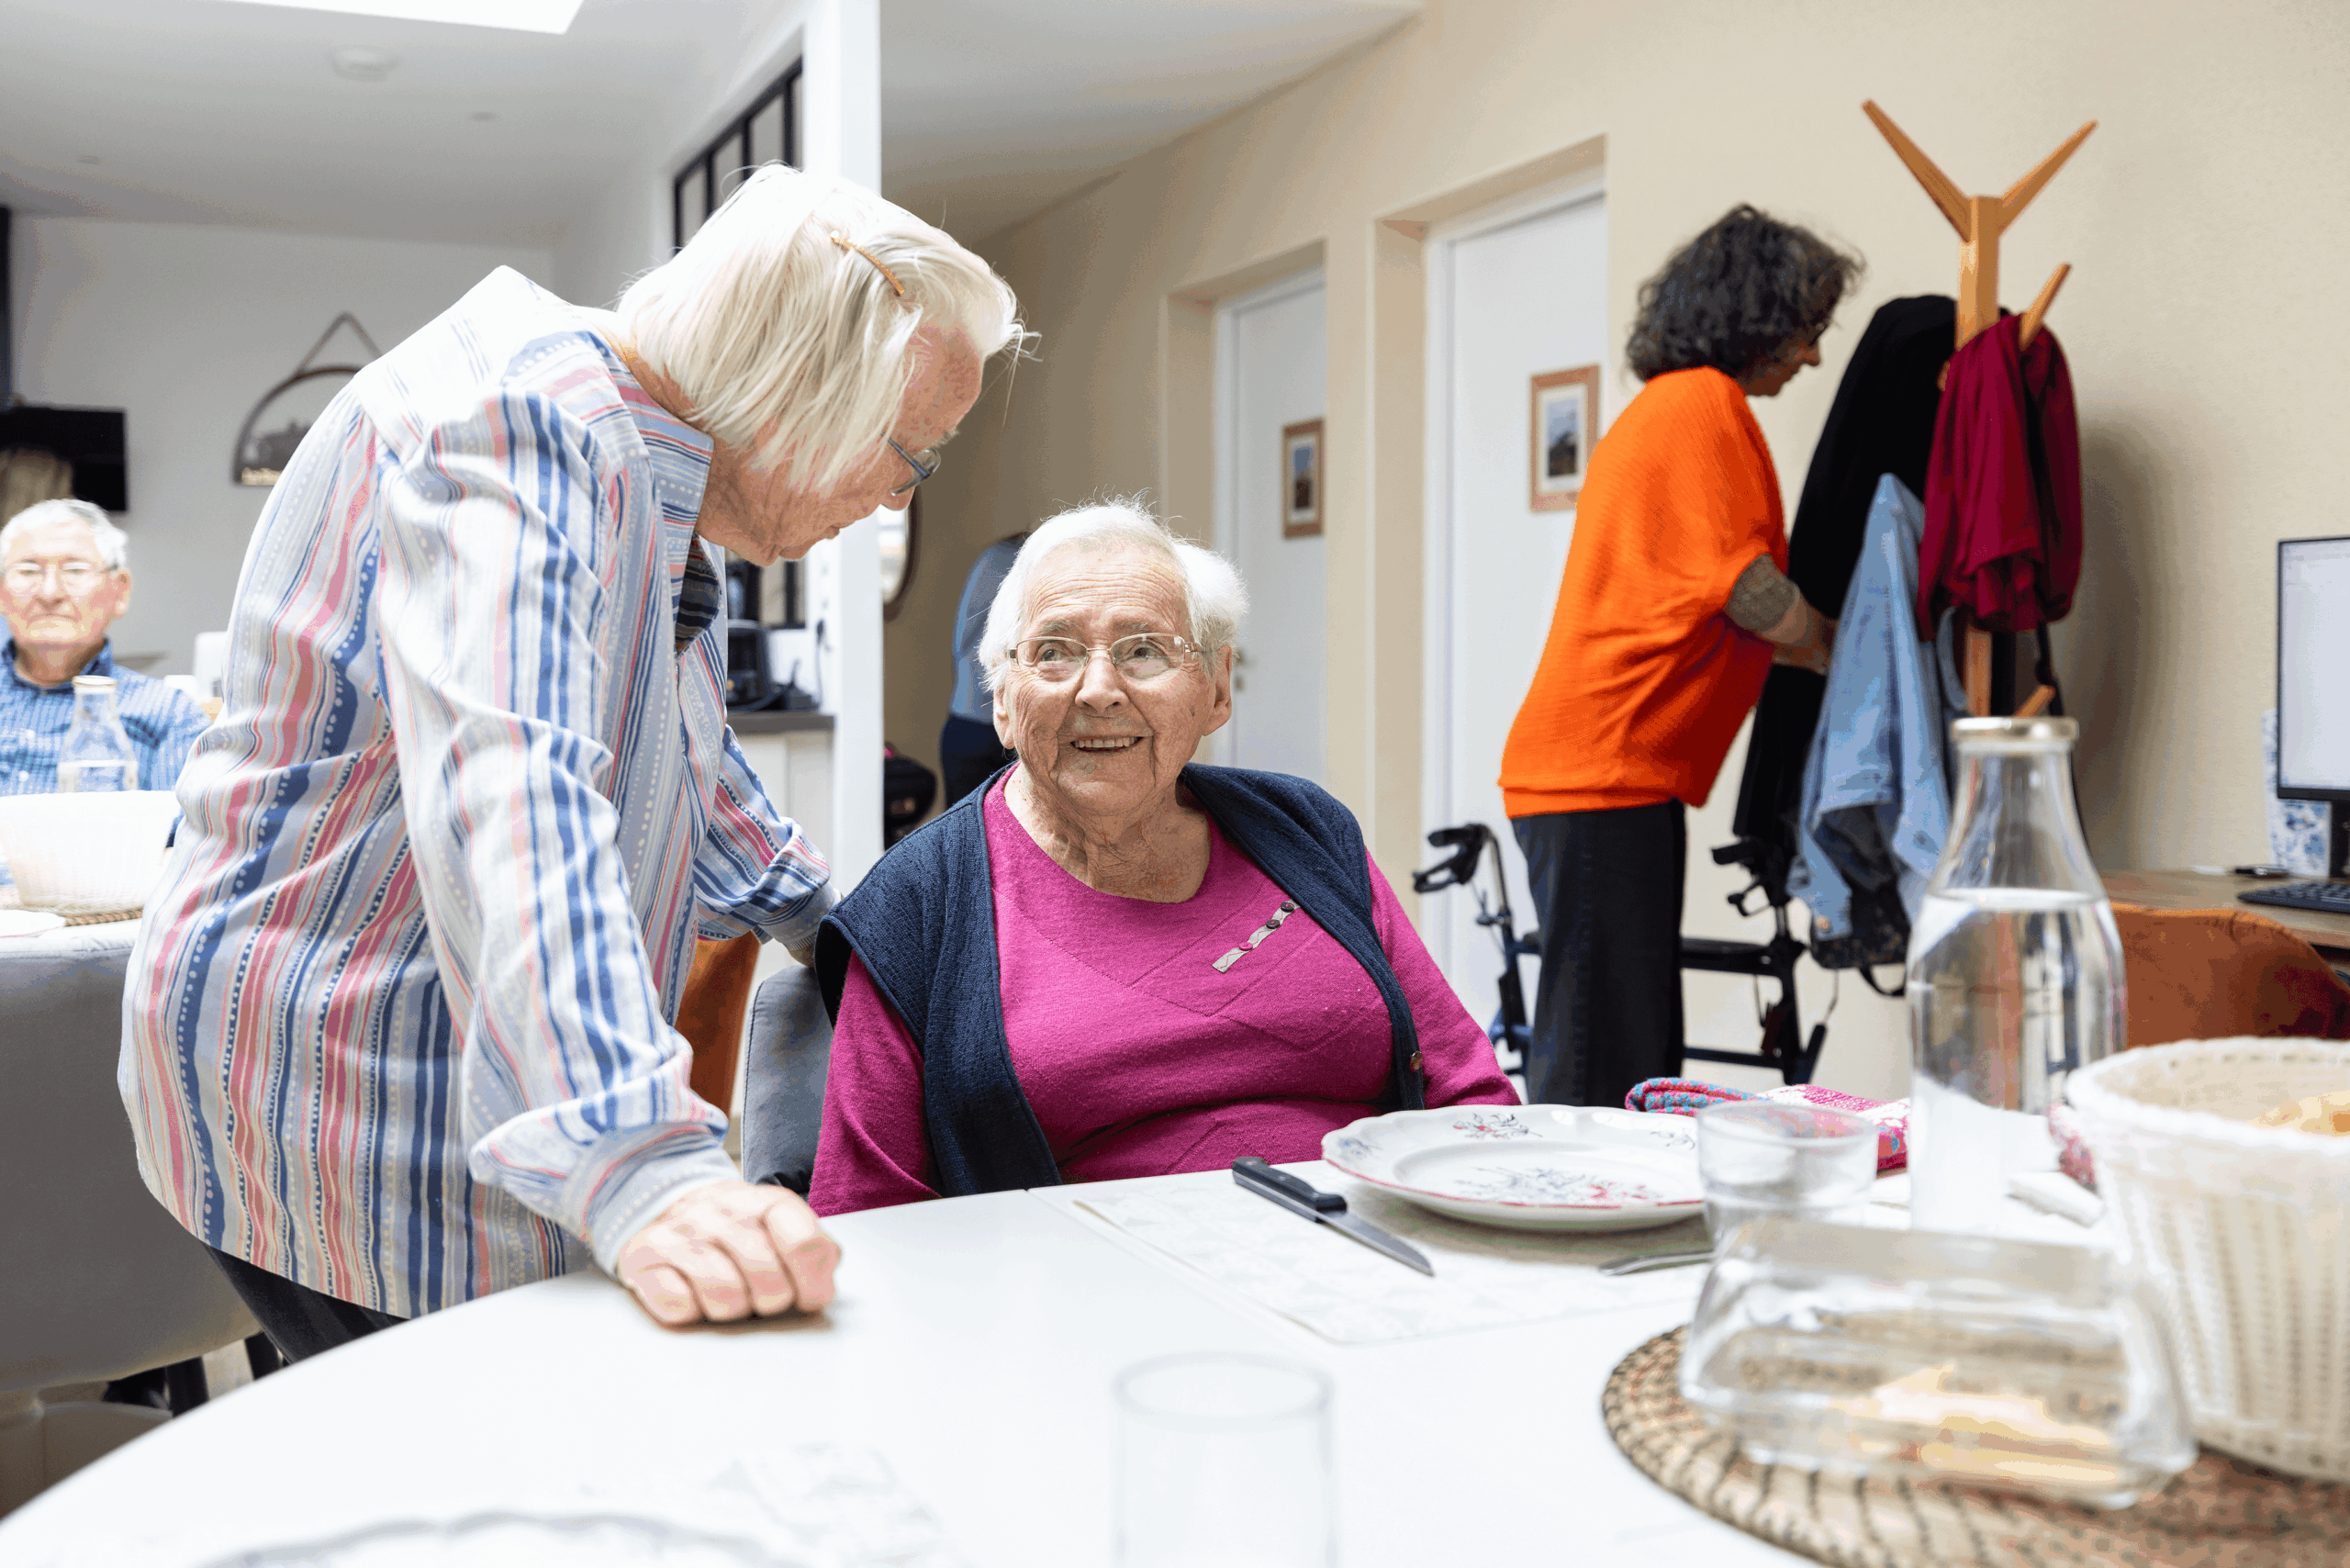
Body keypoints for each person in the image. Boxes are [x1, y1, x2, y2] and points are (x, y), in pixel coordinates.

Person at [121, 166, 1023, 1353]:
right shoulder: (522, 420)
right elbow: (515, 794)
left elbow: (672, 737)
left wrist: (840, 930)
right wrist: (644, 1166)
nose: (896, 496)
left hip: (431, 1055)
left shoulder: (637, 455)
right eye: (911, 452)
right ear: (807, 393)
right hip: (337, 1079)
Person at [809, 501, 1516, 1213]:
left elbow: (1466, 1092)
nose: (1098, 690)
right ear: (1000, 700)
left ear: (1215, 689)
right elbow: (867, 1214)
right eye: (1053, 651)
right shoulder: (918, 903)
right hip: (1092, 1300)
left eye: (1144, 649)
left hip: (1370, 1265)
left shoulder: (1305, 831)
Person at [1499, 204, 1860, 1112]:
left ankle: (1618, 1227)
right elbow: (1744, 589)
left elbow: (1703, 610)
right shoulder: (1701, 403)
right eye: (1807, 328)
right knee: (1600, 1058)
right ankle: (1559, 1236)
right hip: (1600, 772)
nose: (1812, 355)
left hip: (1613, 773)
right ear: (1759, 315)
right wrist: (1842, 646)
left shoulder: (1668, 411)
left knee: (1631, 1046)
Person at [0, 498, 210, 794]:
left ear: (120, 590)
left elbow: (180, 834)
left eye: (75, 570)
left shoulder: (169, 714)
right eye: (28, 571)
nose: (49, 592)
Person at [935, 532, 1026, 808]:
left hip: (965, 724)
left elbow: (959, 644)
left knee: (962, 837)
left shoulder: (990, 560)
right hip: (993, 730)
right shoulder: (1020, 563)